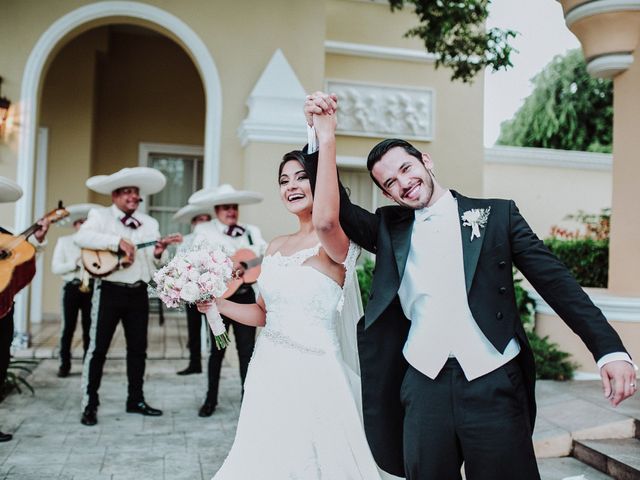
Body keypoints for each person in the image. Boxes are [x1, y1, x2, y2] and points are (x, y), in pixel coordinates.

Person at [305, 93, 637, 480]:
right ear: (386, 193)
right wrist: (320, 139)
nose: (405, 183)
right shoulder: (386, 227)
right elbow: (335, 209)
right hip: (422, 384)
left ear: (426, 161)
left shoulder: (498, 215)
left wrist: (609, 350)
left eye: (407, 169)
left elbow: (556, 282)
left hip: (494, 380)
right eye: (391, 182)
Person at [198, 146, 387, 479]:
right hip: (268, 370)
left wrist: (325, 136)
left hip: (316, 372)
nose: (291, 186)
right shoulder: (274, 246)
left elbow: (327, 219)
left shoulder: (337, 240)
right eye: (284, 180)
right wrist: (217, 304)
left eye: (302, 177)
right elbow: (263, 313)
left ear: (322, 182)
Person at [75, 167, 181, 426]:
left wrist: (158, 253)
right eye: (127, 192)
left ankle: (136, 399)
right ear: (115, 195)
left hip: (138, 293)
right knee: (97, 349)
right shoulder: (99, 216)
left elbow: (157, 265)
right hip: (109, 290)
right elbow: (81, 236)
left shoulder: (151, 223)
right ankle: (89, 403)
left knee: (138, 350)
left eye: (136, 192)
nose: (133, 196)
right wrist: (116, 243)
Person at [187, 184, 266, 417]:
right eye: (225, 207)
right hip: (219, 300)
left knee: (247, 351)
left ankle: (247, 398)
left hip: (246, 299)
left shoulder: (251, 231)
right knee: (217, 351)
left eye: (234, 207)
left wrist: (246, 264)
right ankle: (210, 399)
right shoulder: (204, 230)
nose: (231, 211)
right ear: (216, 209)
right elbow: (198, 261)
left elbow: (264, 256)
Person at [0, 176, 50, 442]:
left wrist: (38, 239)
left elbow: (21, 262)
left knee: (0, 363)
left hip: (2, 312)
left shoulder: (5, 234)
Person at [52, 203, 101, 378]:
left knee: (90, 328)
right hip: (71, 288)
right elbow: (55, 268)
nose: (83, 225)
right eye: (80, 222)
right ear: (75, 225)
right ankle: (64, 364)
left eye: (86, 222)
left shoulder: (95, 245)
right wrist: (74, 263)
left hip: (91, 287)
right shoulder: (64, 242)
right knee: (68, 328)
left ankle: (89, 365)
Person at [172, 204, 212, 376]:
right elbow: (179, 263)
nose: (203, 224)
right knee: (193, 329)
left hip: (212, 292)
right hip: (191, 292)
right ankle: (194, 363)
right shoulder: (186, 240)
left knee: (214, 328)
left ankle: (213, 362)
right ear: (193, 223)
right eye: (200, 220)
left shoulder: (214, 238)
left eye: (206, 220)